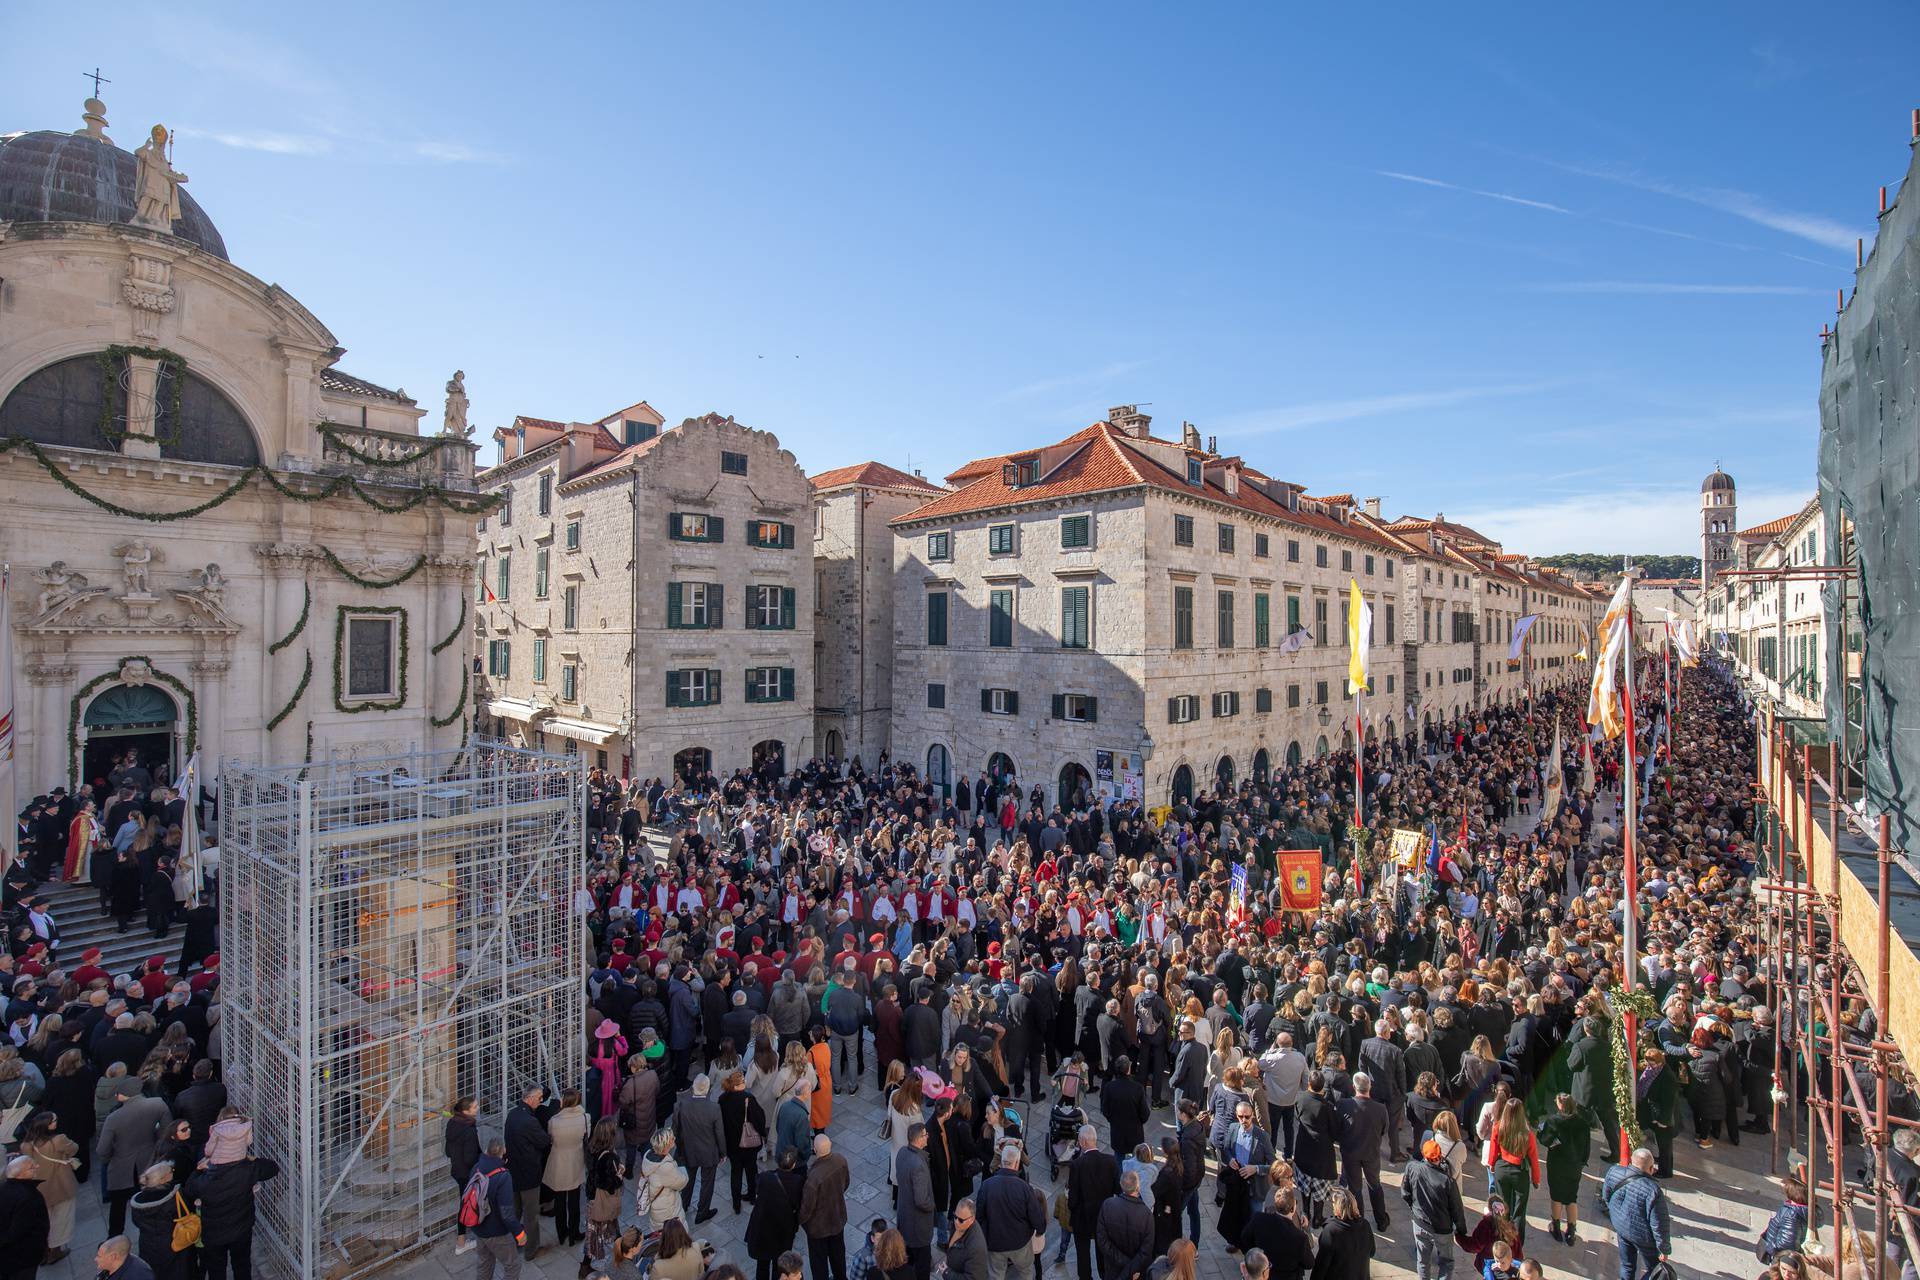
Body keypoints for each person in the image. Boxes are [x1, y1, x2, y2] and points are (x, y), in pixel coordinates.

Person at [183, 1112, 281, 1280]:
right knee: (242, 1266)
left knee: (216, 1270)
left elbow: (189, 1191)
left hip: (213, 1234)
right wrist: (252, 1158)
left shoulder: (205, 1179)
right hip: (241, 1229)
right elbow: (272, 1168)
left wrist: (197, 1170)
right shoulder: (248, 1170)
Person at [1401, 1139, 1468, 1280]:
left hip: (1419, 1223)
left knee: (1423, 1261)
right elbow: (1457, 1209)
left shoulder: (1412, 1168)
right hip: (1442, 1229)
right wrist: (1461, 1229)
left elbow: (1405, 1193)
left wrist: (1414, 1209)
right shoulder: (1447, 1181)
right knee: (1447, 1262)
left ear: (1424, 1156)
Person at [977, 1143, 1045, 1280]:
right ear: (1016, 1163)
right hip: (1020, 1243)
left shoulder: (986, 1186)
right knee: (1026, 1272)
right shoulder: (1024, 1188)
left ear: (1002, 1162)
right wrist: (1040, 1230)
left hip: (994, 1243)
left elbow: (979, 1216)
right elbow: (1036, 1215)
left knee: (996, 1275)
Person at [19, 1112, 79, 1263]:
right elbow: (74, 1149)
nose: (56, 1122)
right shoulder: (59, 1140)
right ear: (48, 1125)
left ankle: (45, 1249)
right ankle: (55, 1251)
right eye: (54, 1120)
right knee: (62, 1218)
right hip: (61, 1185)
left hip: (39, 1188)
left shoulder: (26, 1145)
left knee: (45, 1220)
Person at [469, 1137, 528, 1280]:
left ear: (486, 1150)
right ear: (504, 1151)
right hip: (496, 1232)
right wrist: (519, 1233)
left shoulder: (476, 1167)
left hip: (478, 1227)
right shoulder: (503, 1176)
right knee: (512, 1266)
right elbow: (507, 1213)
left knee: (484, 1264)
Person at [1067, 1123, 1121, 1280]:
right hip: (1104, 1218)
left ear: (1083, 1142)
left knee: (1083, 1256)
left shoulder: (1077, 1165)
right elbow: (1118, 1190)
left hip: (1082, 1219)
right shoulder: (1111, 1162)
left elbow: (1073, 1200)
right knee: (1103, 1253)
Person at [1336, 1073, 1389, 1231]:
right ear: (1369, 1087)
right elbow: (1383, 1130)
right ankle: (1381, 1220)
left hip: (1350, 1153)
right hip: (1371, 1153)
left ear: (1353, 1087)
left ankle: (1359, 1219)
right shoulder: (1380, 1109)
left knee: (1355, 1188)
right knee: (1375, 1185)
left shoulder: (1343, 1105)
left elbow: (1338, 1128)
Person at [505, 1085, 552, 1260]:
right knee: (531, 1216)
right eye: (539, 1098)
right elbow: (544, 1141)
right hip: (529, 1174)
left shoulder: (513, 1114)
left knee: (515, 1211)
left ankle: (514, 1242)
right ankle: (531, 1250)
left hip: (513, 1172)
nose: (541, 1101)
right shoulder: (529, 1121)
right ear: (530, 1098)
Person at [1484, 1099, 1539, 1246]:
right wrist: (1536, 1178)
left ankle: (1502, 1238)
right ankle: (1517, 1243)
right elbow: (1533, 1158)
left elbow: (1493, 1151)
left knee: (1503, 1206)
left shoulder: (1498, 1127)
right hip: (1519, 1172)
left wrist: (1492, 1165)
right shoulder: (1528, 1134)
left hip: (1502, 1169)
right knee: (1519, 1210)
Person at [1538, 1093, 1590, 1245]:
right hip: (1574, 1166)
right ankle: (1571, 1231)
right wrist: (1581, 1162)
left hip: (1557, 1165)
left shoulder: (1554, 1121)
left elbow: (1545, 1140)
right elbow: (1587, 1148)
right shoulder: (1583, 1123)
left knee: (1556, 1196)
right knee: (1571, 1197)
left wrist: (1540, 1133)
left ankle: (1556, 1227)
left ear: (1560, 1106)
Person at [674, 1073, 726, 1226]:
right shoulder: (714, 1108)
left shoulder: (681, 1105)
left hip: (688, 1151)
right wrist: (723, 1153)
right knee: (707, 1183)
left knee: (688, 1181)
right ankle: (702, 1212)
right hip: (708, 1153)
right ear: (708, 1089)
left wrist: (681, 1146)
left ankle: (683, 1206)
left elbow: (675, 1130)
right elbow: (719, 1133)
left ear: (693, 1088)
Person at [747, 1151, 808, 1280]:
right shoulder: (798, 1182)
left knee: (762, 1265)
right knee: (780, 1266)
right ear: (794, 1165)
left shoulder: (765, 1177)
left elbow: (757, 1188)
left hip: (763, 1228)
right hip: (783, 1230)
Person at [799, 1133, 852, 1280]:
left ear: (815, 1150)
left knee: (819, 1263)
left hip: (818, 1228)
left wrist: (801, 1220)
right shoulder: (841, 1160)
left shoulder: (813, 1178)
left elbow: (807, 1208)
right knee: (838, 1256)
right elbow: (846, 1183)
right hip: (837, 1219)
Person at [545, 1088, 590, 1249]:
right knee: (574, 1200)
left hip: (558, 1162)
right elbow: (586, 1136)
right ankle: (574, 1233)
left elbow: (550, 1139)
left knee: (559, 1201)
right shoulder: (585, 1118)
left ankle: (562, 1232)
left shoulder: (554, 1121)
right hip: (575, 1162)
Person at [721, 1069, 770, 1215]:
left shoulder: (723, 1099)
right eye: (743, 1081)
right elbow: (759, 1119)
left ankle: (736, 1204)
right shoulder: (748, 1099)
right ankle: (752, 1195)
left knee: (735, 1173)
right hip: (749, 1144)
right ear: (737, 1085)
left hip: (732, 1145)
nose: (745, 1083)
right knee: (751, 1169)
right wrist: (762, 1134)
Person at [127, 1163, 188, 1280]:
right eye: (171, 1171)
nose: (173, 1172)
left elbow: (136, 1222)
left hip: (147, 1246)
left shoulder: (138, 1200)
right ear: (163, 1179)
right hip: (174, 1245)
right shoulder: (175, 1197)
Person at [894, 1123, 938, 1280]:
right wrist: (932, 1205)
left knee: (908, 1260)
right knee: (922, 1265)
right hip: (918, 1226)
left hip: (904, 1219)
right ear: (919, 1139)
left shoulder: (902, 1153)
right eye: (925, 1135)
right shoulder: (918, 1164)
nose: (928, 1137)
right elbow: (921, 1200)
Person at [1308, 1187, 1373, 1280]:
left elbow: (1321, 1265)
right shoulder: (1365, 1225)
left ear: (1337, 1207)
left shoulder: (1331, 1231)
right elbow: (1372, 1252)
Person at [445, 1096, 481, 1254]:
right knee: (467, 1204)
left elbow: (448, 1151)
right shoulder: (469, 1129)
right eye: (474, 1107)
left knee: (467, 1202)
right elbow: (470, 1157)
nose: (478, 1108)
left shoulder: (452, 1123)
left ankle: (472, 1230)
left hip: (457, 1170)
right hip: (468, 1173)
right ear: (466, 1111)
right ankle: (461, 1242)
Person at [642, 1129, 689, 1232]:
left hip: (657, 1208)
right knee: (675, 1239)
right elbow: (682, 1182)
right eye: (672, 1138)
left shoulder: (648, 1155)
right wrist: (682, 1169)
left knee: (660, 1237)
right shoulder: (665, 1167)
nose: (674, 1139)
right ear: (667, 1144)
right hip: (668, 1210)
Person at [944, 1197, 988, 1280]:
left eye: (961, 1220)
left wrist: (947, 1273)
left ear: (972, 1219)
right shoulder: (958, 1225)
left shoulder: (976, 1248)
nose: (956, 1222)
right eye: (955, 1216)